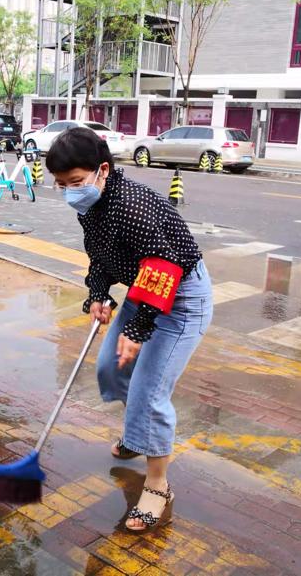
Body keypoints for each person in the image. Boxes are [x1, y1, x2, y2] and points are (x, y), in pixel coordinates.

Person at [45, 127, 213, 532]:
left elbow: (164, 267)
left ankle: (157, 487)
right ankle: (140, 432)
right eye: (62, 185)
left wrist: (136, 331)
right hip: (145, 290)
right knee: (111, 369)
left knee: (148, 392)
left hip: (179, 299)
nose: (70, 192)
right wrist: (98, 293)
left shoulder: (131, 205)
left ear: (103, 170)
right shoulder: (93, 205)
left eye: (75, 182)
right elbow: (101, 255)